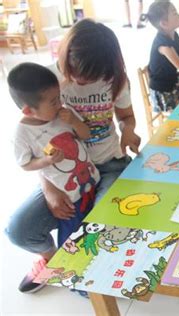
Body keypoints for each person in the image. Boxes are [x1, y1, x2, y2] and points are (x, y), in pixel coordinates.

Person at [5, 19, 141, 293]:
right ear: (64, 55)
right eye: (74, 71)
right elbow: (35, 146)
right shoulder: (44, 81)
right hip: (62, 174)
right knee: (19, 230)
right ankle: (50, 259)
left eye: (89, 76)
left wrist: (128, 131)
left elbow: (127, 117)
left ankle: (90, 268)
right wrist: (49, 187)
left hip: (109, 164)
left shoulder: (115, 79)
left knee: (101, 225)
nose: (79, 80)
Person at [7, 63, 100, 293]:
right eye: (53, 101)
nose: (60, 103)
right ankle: (73, 277)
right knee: (72, 240)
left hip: (91, 181)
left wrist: (74, 122)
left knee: (94, 231)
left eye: (59, 97)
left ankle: (95, 269)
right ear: (29, 110)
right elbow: (25, 164)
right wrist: (46, 162)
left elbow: (86, 134)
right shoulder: (22, 133)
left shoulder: (64, 113)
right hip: (68, 197)